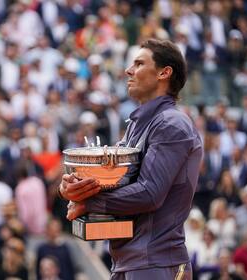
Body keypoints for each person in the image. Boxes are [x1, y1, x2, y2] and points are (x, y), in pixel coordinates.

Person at [58, 39, 203, 280]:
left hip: (157, 264)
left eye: (139, 63)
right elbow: (113, 180)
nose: (128, 70)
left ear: (164, 73)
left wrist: (89, 203)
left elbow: (149, 193)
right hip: (132, 262)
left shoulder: (171, 124)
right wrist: (73, 186)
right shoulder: (138, 124)